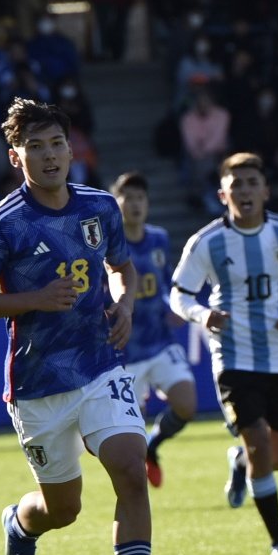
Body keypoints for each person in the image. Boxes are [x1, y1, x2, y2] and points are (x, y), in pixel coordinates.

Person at [0, 98, 167, 555]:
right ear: (15, 156)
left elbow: (122, 267)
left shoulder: (99, 207)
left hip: (100, 366)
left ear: (71, 150)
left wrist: (123, 306)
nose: (48, 156)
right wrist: (34, 298)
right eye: (35, 146)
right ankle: (20, 523)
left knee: (129, 465)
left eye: (56, 144)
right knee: (63, 508)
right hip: (38, 385)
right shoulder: (2, 224)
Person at [170, 152, 278, 555]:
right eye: (235, 184)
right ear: (223, 194)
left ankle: (239, 462)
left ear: (265, 190)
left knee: (276, 458)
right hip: (233, 357)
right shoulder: (207, 242)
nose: (244, 191)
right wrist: (204, 314)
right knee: (260, 443)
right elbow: (179, 295)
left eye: (251, 182)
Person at [110, 171, 197, 488]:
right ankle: (139, 461)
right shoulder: (108, 245)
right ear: (116, 203)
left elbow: (164, 281)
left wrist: (172, 305)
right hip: (125, 352)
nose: (134, 204)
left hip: (160, 342)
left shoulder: (158, 238)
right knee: (129, 434)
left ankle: (154, 445)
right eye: (128, 197)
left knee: (186, 405)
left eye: (140, 198)